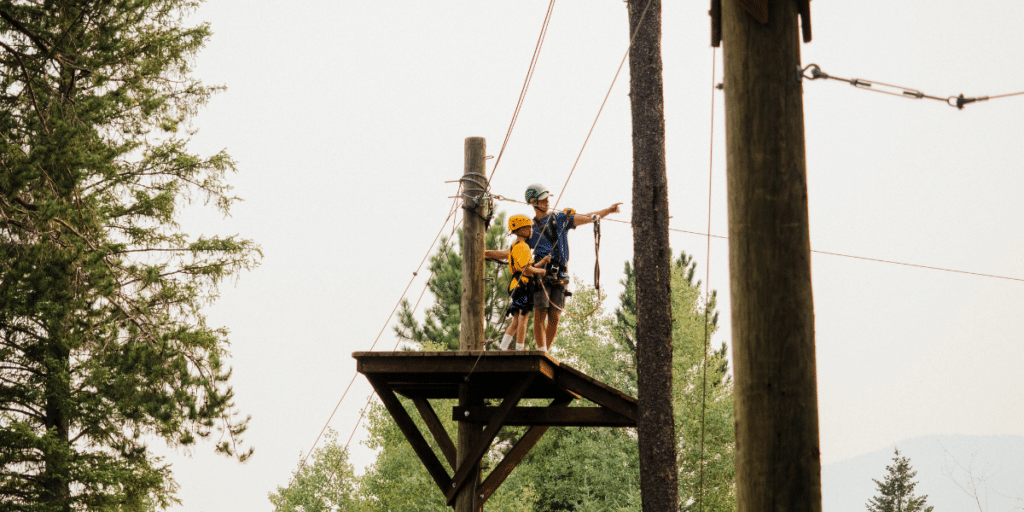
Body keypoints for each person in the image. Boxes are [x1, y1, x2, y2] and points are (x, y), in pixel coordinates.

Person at [523, 183, 621, 352]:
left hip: (560, 273)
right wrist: (487, 253)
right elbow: (514, 251)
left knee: (555, 316)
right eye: (542, 200)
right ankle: (541, 350)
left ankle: (545, 351)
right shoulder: (530, 229)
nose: (546, 202)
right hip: (542, 272)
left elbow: (587, 217)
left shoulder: (560, 219)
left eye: (547, 199)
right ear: (533, 202)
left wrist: (608, 210)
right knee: (541, 312)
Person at [497, 214, 550, 351]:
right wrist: (541, 272)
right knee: (523, 318)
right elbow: (527, 270)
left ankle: (503, 348)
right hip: (523, 285)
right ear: (521, 230)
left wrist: (542, 263)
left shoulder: (515, 246)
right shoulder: (523, 247)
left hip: (517, 285)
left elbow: (527, 266)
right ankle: (519, 348)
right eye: (528, 228)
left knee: (516, 320)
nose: (531, 230)